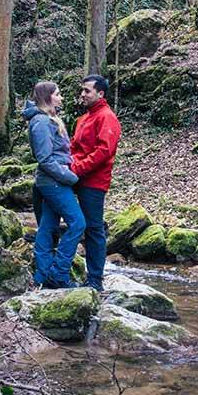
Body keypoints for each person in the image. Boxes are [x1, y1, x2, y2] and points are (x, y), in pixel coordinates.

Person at [23, 81, 85, 289]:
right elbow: (45, 159)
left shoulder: (48, 119)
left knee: (48, 227)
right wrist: (71, 177)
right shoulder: (41, 121)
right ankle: (58, 274)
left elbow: (59, 154)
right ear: (48, 97)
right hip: (54, 182)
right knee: (78, 223)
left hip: (52, 181)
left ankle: (43, 277)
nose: (62, 97)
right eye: (58, 94)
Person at [69, 75, 122, 291]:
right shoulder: (84, 119)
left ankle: (95, 280)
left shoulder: (106, 117)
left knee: (93, 228)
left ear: (100, 94)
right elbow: (73, 147)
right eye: (82, 90)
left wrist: (77, 168)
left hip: (93, 182)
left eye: (87, 91)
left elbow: (103, 152)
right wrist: (65, 167)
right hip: (74, 176)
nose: (82, 94)